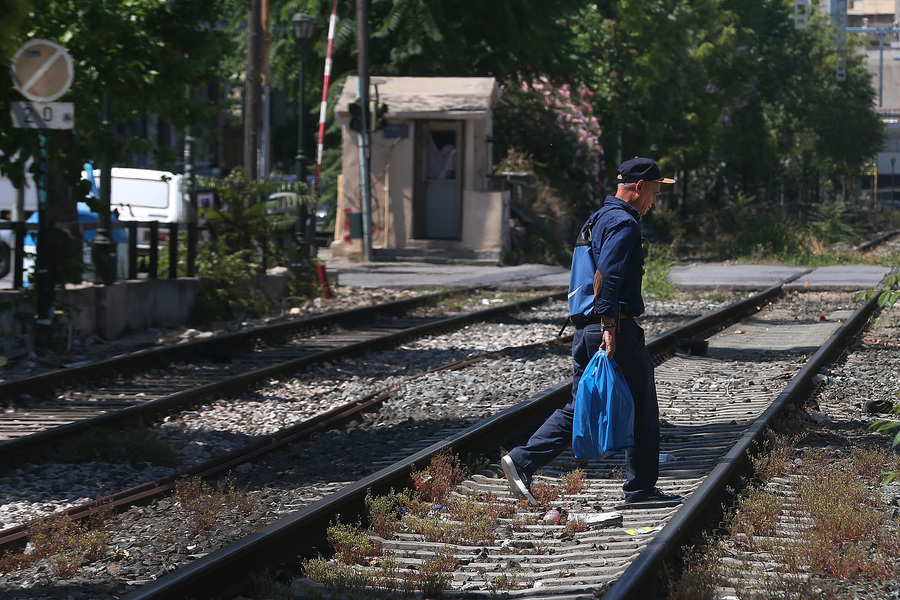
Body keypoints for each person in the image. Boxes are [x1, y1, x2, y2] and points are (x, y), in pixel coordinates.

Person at [501, 157, 682, 506]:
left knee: (581, 405)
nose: (655, 202)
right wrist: (610, 328)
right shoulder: (624, 223)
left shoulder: (596, 218)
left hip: (585, 329)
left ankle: (522, 460)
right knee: (643, 406)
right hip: (613, 330)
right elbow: (608, 277)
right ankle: (641, 489)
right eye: (655, 193)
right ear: (639, 187)